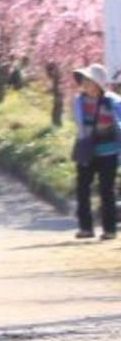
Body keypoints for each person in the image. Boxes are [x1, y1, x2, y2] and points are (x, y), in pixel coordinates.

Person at [70, 63, 119, 240]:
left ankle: (110, 229)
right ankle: (86, 227)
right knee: (82, 188)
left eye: (88, 80)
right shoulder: (79, 101)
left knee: (106, 190)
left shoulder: (112, 101)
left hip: (108, 152)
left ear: (97, 83)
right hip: (87, 151)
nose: (84, 84)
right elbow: (79, 123)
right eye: (83, 81)